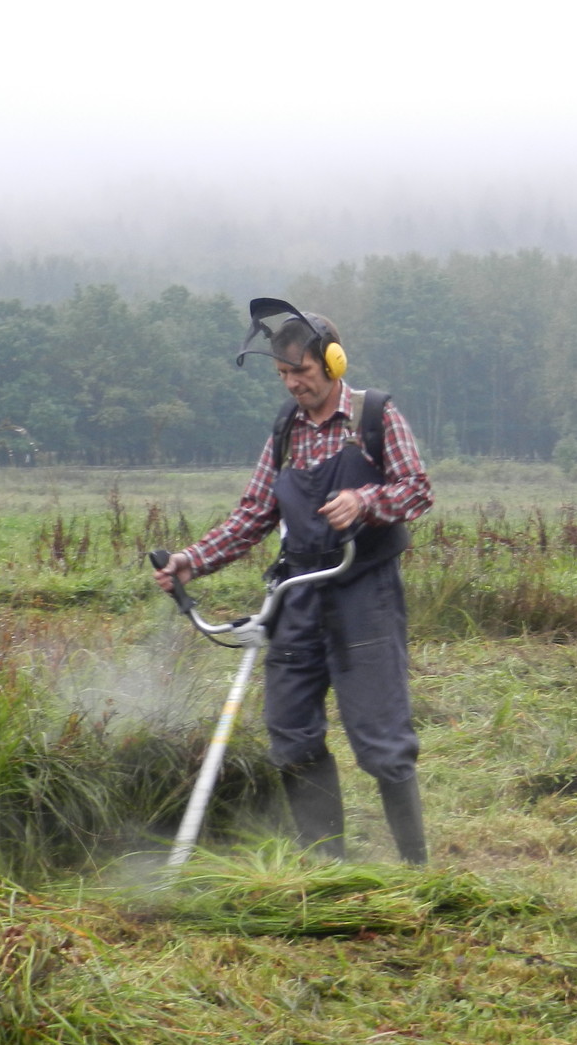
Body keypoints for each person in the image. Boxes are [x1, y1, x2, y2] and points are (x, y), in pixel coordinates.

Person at [152, 299, 433, 863]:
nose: (292, 385)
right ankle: (328, 865)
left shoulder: (373, 417)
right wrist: (192, 560)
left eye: (301, 372)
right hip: (298, 593)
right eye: (283, 375)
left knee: (381, 741)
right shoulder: (285, 431)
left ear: (332, 362)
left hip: (364, 592)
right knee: (292, 736)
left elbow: (416, 491)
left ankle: (417, 869)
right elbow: (254, 513)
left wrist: (365, 500)